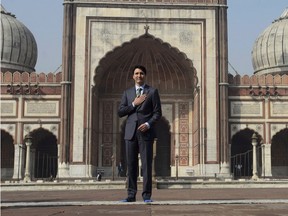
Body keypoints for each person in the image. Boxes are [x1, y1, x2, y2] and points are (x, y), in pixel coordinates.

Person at [118, 65, 162, 203]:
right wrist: (133, 104)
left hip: (146, 132)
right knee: (131, 165)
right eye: (136, 73)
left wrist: (148, 124)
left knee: (147, 165)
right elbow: (120, 112)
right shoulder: (127, 93)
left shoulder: (152, 92)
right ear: (133, 76)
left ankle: (147, 196)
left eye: (141, 73)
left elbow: (157, 113)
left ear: (145, 75)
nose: (139, 76)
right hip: (130, 133)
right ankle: (131, 195)